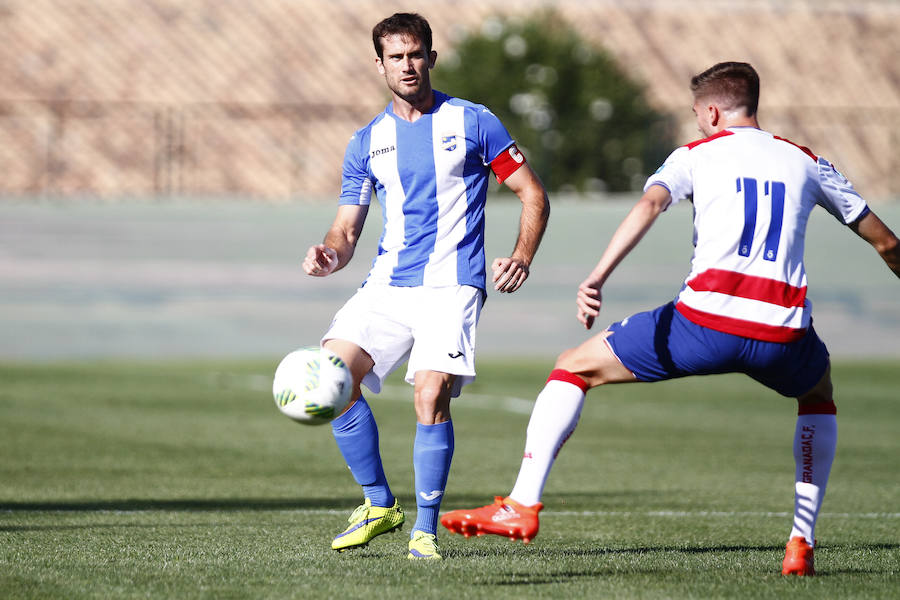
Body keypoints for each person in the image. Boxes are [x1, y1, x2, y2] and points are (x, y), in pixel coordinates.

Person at [441, 61, 900, 575]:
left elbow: (649, 206)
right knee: (818, 395)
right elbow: (886, 243)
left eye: (697, 116)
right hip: (782, 332)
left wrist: (596, 277)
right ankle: (801, 543)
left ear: (710, 111)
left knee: (573, 366)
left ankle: (522, 504)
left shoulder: (695, 155)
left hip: (703, 324)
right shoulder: (807, 160)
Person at [302, 12, 549, 560]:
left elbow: (533, 193)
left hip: (453, 282)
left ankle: (425, 530)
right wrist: (328, 254)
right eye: (396, 56)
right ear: (380, 64)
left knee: (430, 393)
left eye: (416, 54)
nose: (407, 65)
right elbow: (345, 228)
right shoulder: (367, 140)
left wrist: (523, 254)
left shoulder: (476, 122)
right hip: (388, 283)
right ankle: (379, 504)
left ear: (432, 58)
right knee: (331, 378)